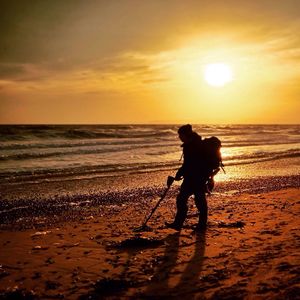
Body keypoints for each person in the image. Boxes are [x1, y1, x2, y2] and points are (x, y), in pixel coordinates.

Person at [166, 124, 208, 231]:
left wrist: (180, 173)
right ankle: (178, 224)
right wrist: (180, 173)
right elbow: (187, 164)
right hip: (191, 178)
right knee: (182, 199)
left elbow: (190, 164)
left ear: (186, 134)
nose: (179, 137)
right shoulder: (190, 144)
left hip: (198, 178)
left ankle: (201, 225)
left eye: (180, 135)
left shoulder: (194, 146)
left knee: (199, 202)